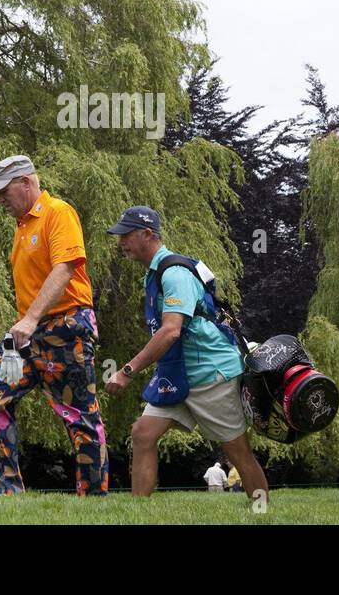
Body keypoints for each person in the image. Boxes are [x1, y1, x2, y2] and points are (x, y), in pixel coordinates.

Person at [103, 205, 269, 501]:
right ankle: (137, 514)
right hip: (176, 373)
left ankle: (262, 511)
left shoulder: (174, 274)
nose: (121, 242)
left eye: (126, 235)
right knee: (143, 434)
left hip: (210, 374)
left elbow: (170, 331)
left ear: (147, 234)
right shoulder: (154, 274)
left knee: (237, 452)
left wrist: (127, 371)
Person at [0, 155, 108, 495]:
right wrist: (25, 323)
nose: (0, 200)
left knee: (79, 416)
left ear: (26, 182)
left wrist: (31, 318)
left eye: (4, 191)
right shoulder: (22, 228)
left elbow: (63, 269)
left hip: (66, 327)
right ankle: (5, 494)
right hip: (29, 335)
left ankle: (93, 500)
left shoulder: (57, 213)